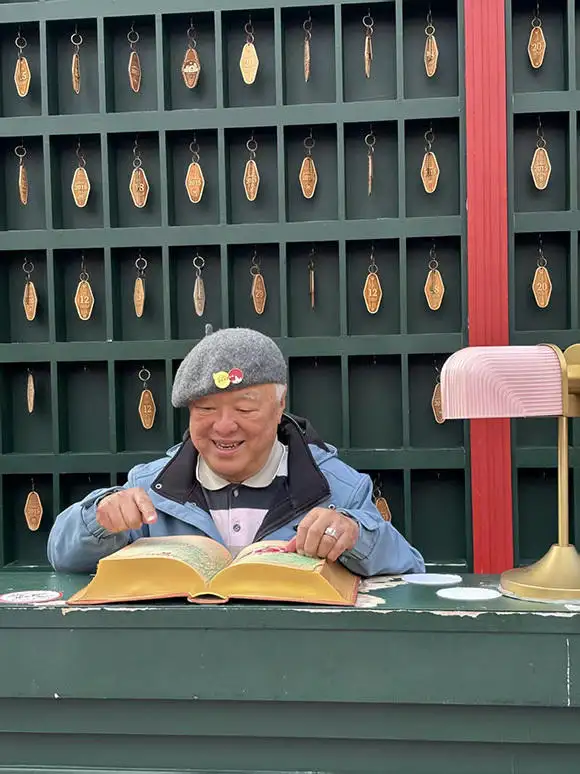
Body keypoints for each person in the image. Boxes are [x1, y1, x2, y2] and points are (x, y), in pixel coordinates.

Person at [48, 327, 425, 577]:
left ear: (280, 407)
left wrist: (355, 536)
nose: (224, 427)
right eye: (206, 409)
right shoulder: (149, 487)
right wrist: (100, 520)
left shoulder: (337, 486)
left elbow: (409, 566)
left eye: (245, 409)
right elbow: (61, 556)